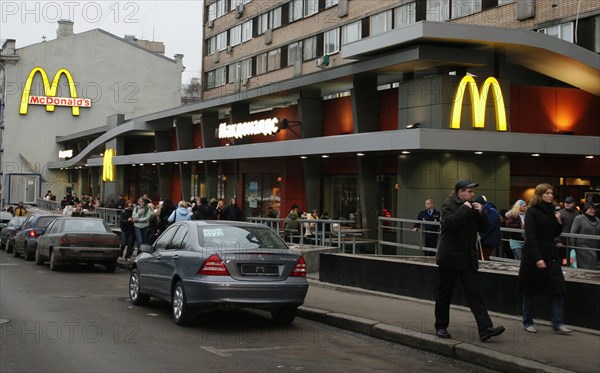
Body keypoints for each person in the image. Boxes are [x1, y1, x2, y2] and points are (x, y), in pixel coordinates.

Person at [434, 179, 505, 342]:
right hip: (450, 258)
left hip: (467, 259)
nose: (473, 195)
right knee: (444, 294)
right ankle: (441, 327)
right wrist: (466, 209)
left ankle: (485, 328)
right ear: (460, 192)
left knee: (475, 294)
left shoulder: (472, 207)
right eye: (470, 192)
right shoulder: (448, 205)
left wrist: (481, 213)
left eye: (473, 192)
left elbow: (484, 228)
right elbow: (450, 223)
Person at [518, 183, 572, 334]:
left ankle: (558, 322)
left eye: (551, 193)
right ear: (539, 194)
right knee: (529, 290)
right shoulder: (532, 212)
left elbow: (554, 233)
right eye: (546, 193)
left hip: (550, 255)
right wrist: (537, 258)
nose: (550, 196)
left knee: (558, 288)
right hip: (534, 256)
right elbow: (531, 236)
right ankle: (528, 321)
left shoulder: (552, 211)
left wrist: (559, 221)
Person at [570, 203, 599, 270]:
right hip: (581, 248)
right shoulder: (579, 218)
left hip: (594, 247)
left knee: (592, 267)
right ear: (585, 210)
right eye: (590, 209)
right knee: (584, 267)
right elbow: (573, 232)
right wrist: (572, 246)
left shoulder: (598, 220)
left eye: (594, 209)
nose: (593, 210)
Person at [474, 195, 502, 261]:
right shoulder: (489, 211)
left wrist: (480, 236)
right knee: (482, 257)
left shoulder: (492, 212)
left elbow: (489, 227)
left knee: (483, 258)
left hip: (488, 241)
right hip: (486, 240)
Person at [556, 196, 580, 263]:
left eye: (569, 202)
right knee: (563, 259)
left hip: (572, 240)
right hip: (562, 240)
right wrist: (557, 241)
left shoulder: (577, 214)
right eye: (566, 202)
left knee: (571, 259)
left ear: (573, 204)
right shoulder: (559, 213)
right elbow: (555, 228)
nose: (567, 204)